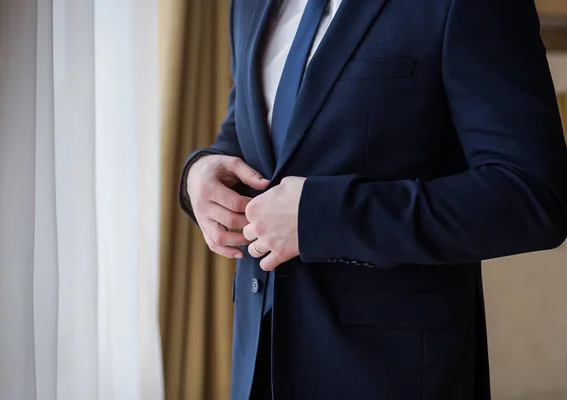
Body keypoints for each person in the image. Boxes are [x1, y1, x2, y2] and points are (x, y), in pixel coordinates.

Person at [179, 0, 567, 398]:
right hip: (257, 365)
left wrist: (322, 216)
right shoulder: (247, 5)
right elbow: (255, 125)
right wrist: (202, 170)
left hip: (392, 375)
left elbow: (532, 194)